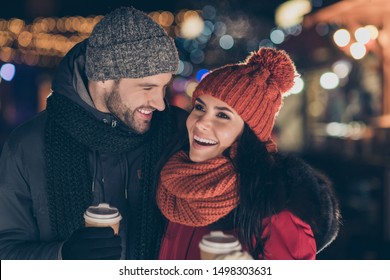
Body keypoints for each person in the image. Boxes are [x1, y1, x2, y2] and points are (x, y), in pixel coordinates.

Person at [0, 7, 187, 260]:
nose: (160, 103)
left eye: (164, 87)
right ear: (103, 78)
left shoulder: (177, 132)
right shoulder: (27, 146)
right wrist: (62, 257)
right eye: (147, 87)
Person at [156, 47, 341, 260]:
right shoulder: (174, 181)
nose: (202, 123)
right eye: (200, 107)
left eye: (223, 116)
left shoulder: (275, 203)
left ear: (249, 133)